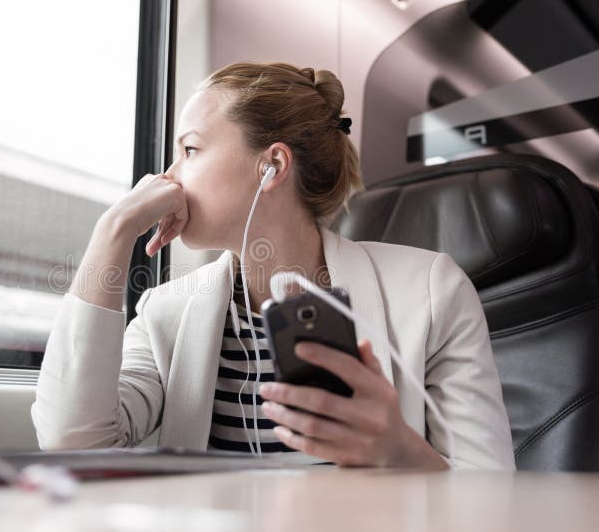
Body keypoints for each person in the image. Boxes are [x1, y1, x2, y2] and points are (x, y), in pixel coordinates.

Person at [31, 62, 515, 470]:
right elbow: (74, 445)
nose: (165, 177)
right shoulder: (168, 310)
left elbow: (498, 504)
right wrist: (111, 235)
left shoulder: (431, 292)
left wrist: (400, 453)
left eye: (190, 150)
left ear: (273, 166)